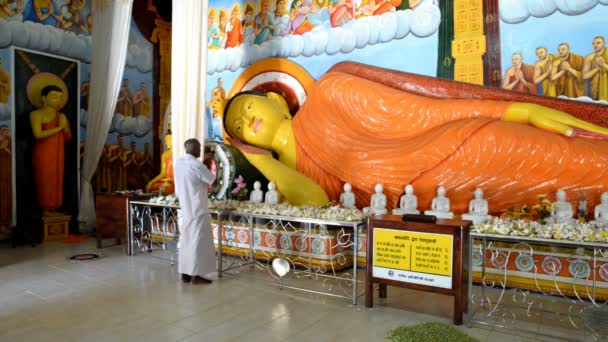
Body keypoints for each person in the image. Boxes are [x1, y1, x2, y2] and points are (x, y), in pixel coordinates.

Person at [218, 61, 608, 213]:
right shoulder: (286, 180)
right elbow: (316, 200)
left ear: (275, 99)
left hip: (457, 148)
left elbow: (423, 112)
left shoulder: (332, 92)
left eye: (248, 108)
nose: (245, 119)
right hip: (427, 199)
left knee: (576, 158)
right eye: (237, 127)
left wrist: (513, 110)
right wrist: (259, 158)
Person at [174, 138, 216, 284]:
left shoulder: (178, 163)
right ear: (195, 149)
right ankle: (196, 275)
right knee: (197, 242)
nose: (200, 150)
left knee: (186, 241)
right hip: (198, 209)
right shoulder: (197, 165)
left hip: (185, 208)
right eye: (199, 148)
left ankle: (185, 273)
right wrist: (208, 163)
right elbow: (212, 180)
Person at [30, 84, 72, 216]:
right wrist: (59, 127)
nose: (58, 100)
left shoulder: (62, 116)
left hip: (59, 153)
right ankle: (45, 208)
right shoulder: (36, 114)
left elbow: (68, 137)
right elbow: (38, 134)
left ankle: (54, 207)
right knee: (45, 180)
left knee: (57, 180)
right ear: (44, 98)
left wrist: (64, 127)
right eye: (54, 96)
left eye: (60, 98)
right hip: (44, 153)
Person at [583, 36, 608, 102]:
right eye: (593, 43)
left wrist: (604, 65)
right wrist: (597, 69)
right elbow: (585, 76)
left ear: (604, 43)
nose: (595, 45)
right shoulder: (589, 57)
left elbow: (604, 66)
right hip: (593, 90)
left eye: (598, 43)